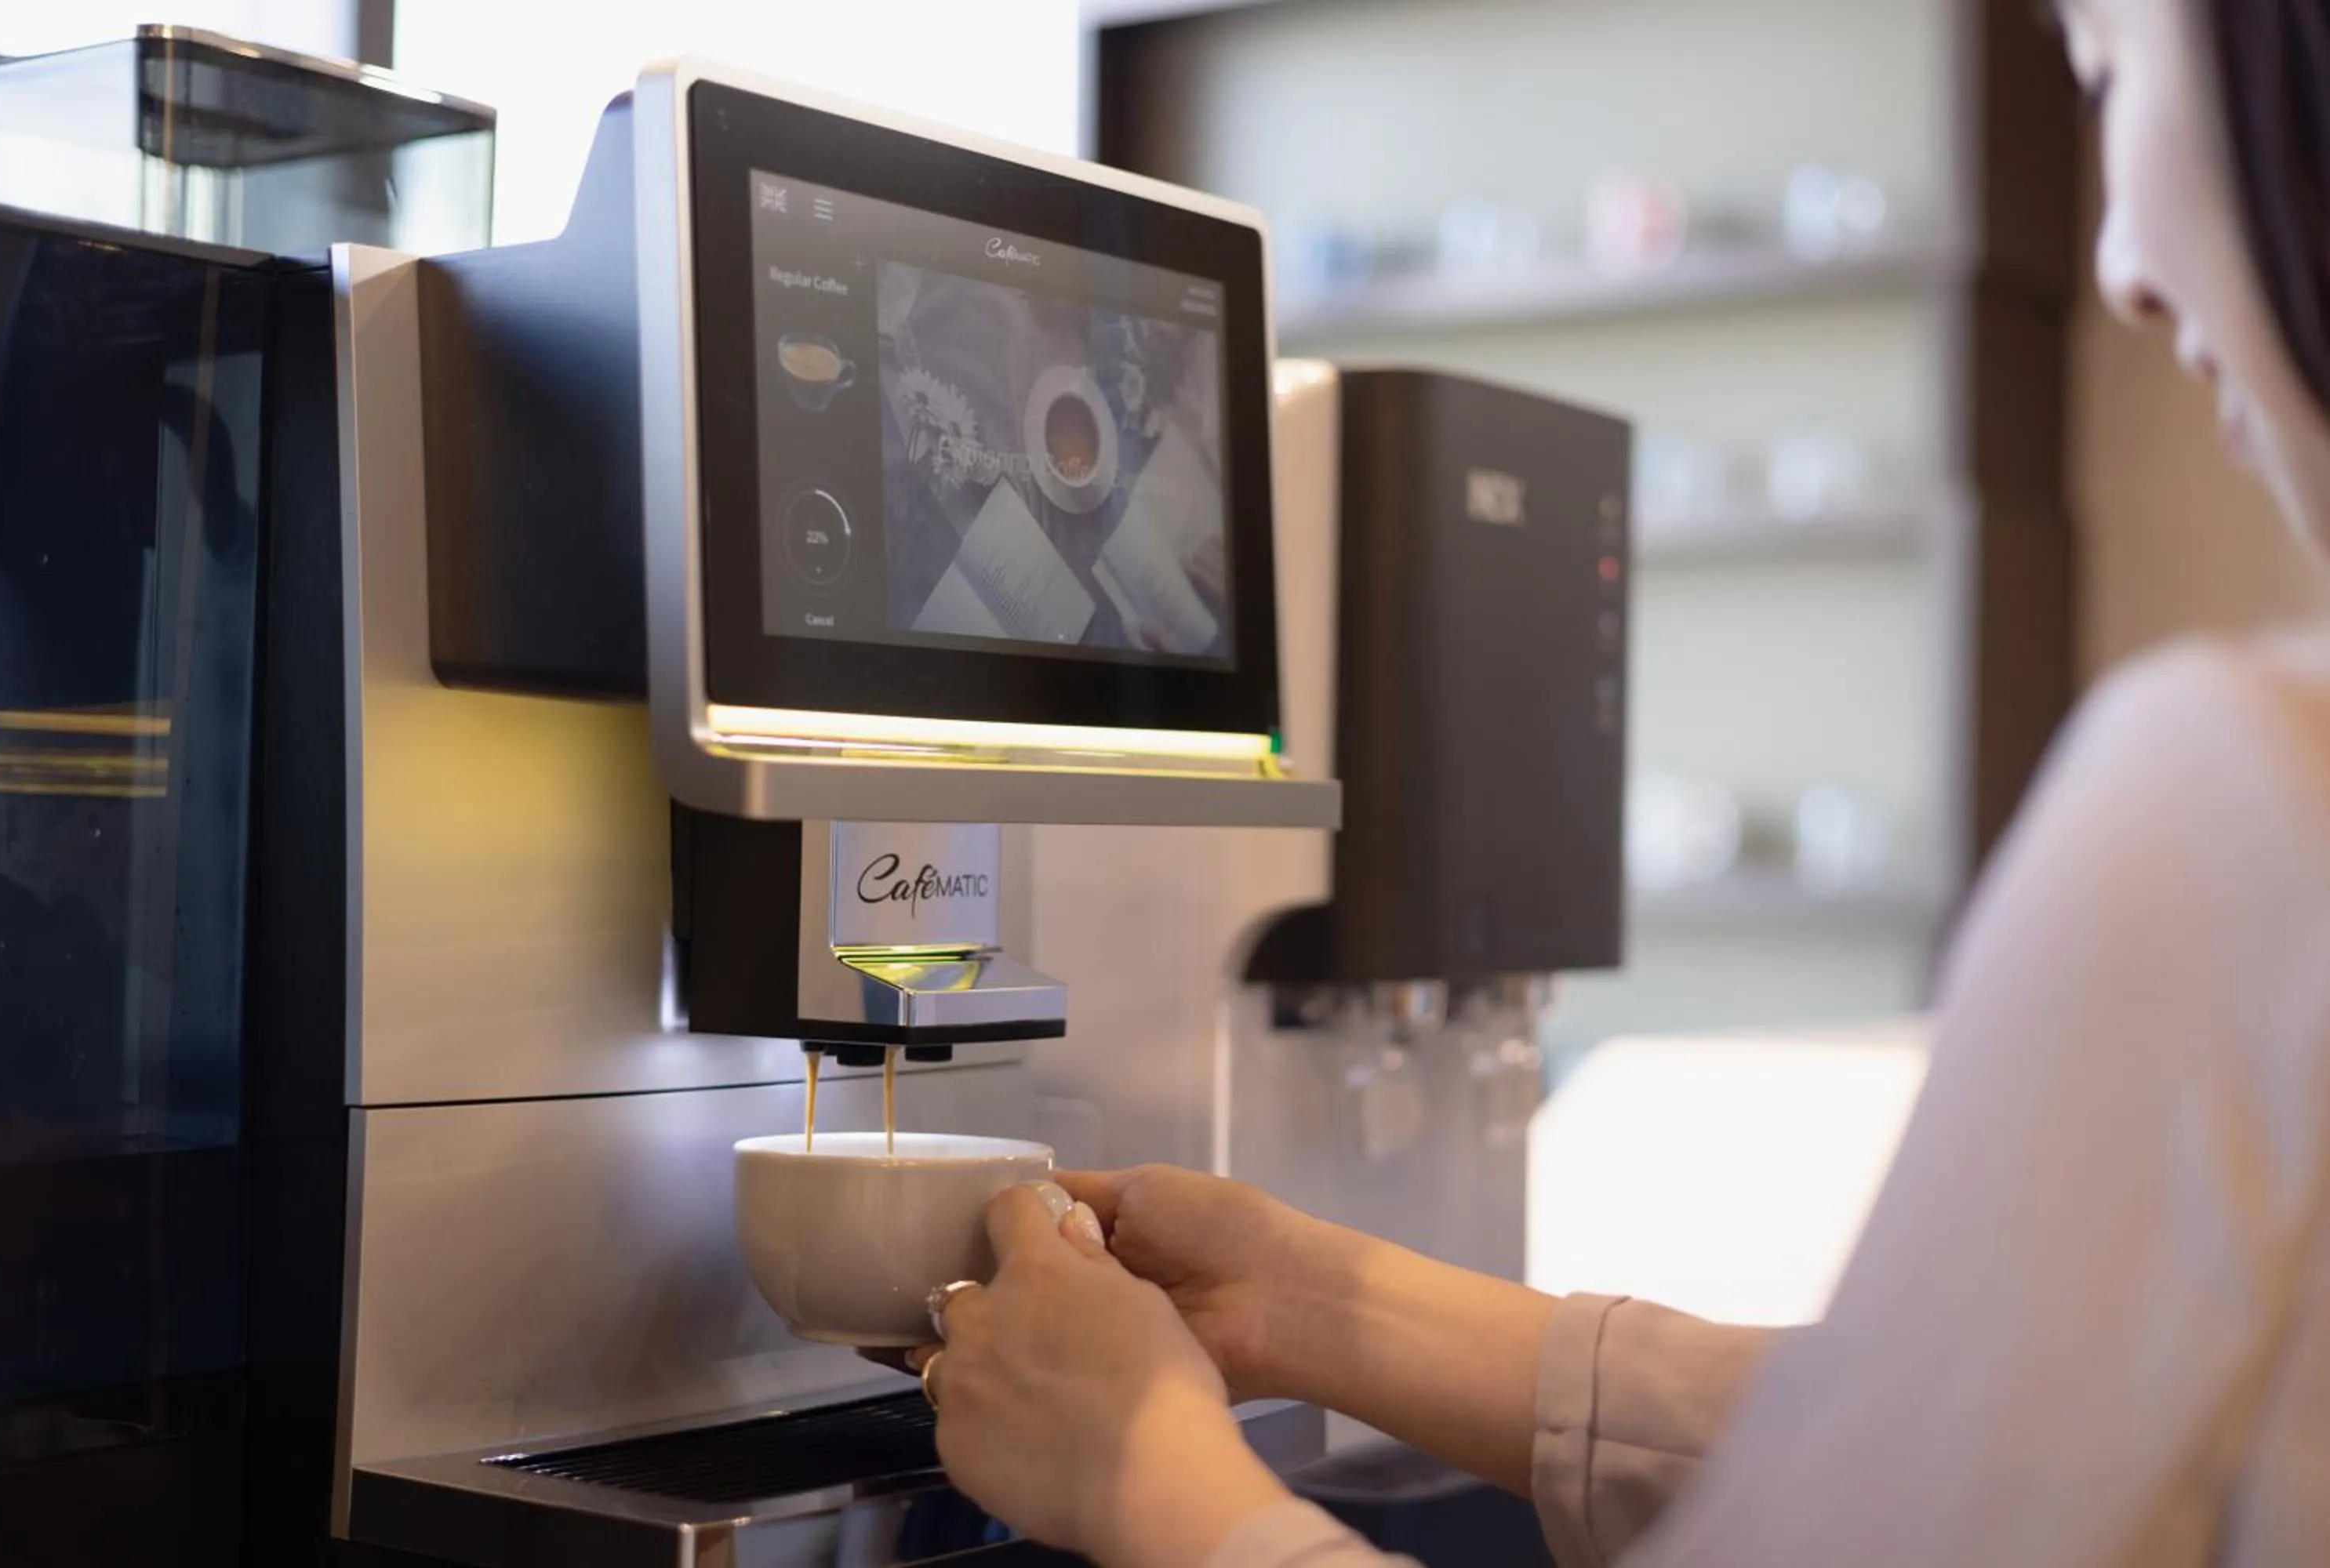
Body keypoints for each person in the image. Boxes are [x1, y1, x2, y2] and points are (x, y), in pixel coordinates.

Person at [915, 0, 2330, 1562]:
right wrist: (1321, 1303)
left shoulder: (2254, 785)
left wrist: (1149, 1483)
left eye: (2111, 81)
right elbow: (1969, 1462)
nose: (2124, 260)